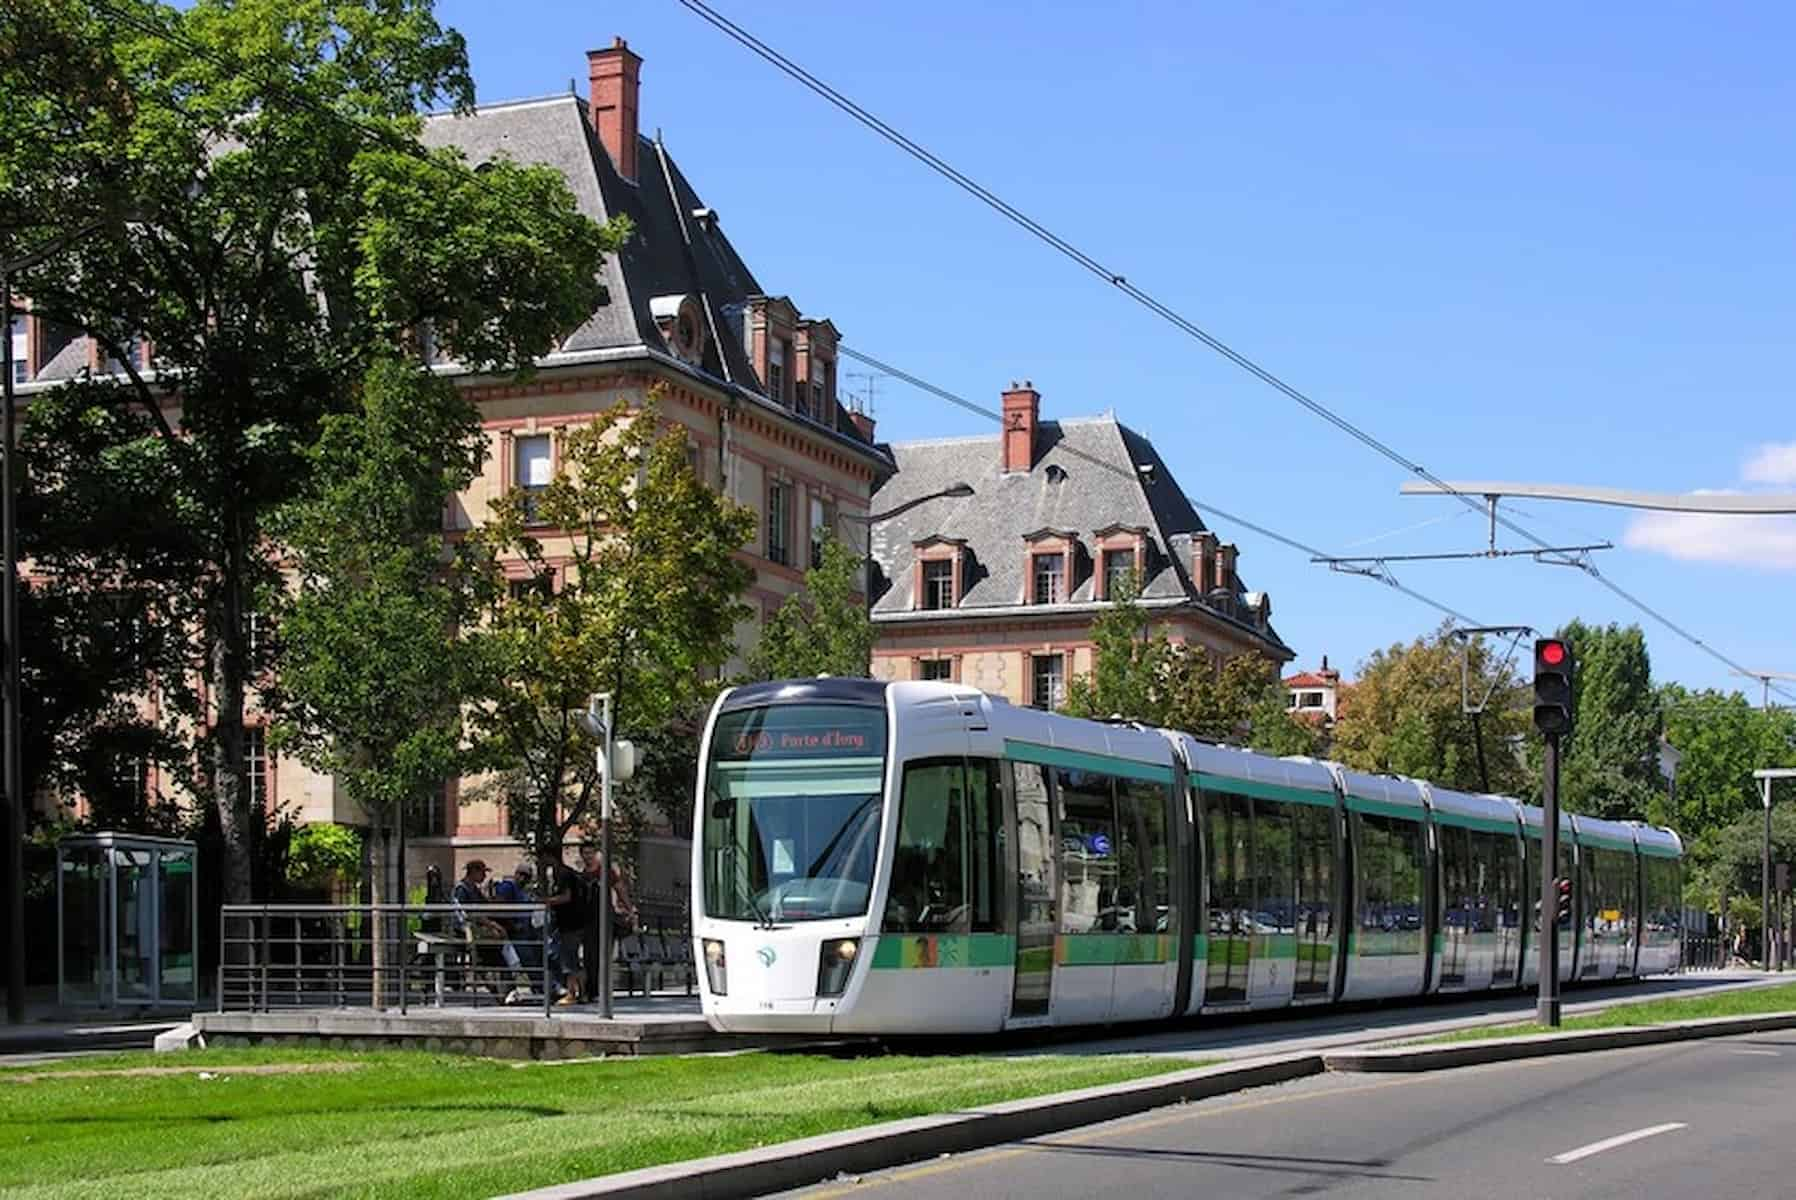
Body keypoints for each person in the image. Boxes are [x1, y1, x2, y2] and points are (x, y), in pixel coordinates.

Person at [580, 832, 639, 1001]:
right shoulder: (582, 875)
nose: (588, 856)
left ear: (595, 854)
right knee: (590, 956)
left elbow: (620, 889)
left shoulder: (606, 872)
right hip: (589, 921)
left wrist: (630, 909)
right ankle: (593, 991)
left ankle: (601, 989)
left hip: (605, 919)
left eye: (591, 853)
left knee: (603, 955)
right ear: (582, 855)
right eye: (585, 853)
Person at [491, 862, 544, 1005]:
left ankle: (538, 988)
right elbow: (500, 908)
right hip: (514, 933)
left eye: (528, 877)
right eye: (523, 876)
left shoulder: (522, 891)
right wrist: (512, 925)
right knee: (526, 961)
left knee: (530, 961)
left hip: (525, 932)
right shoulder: (508, 887)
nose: (525, 880)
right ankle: (541, 988)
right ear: (517, 874)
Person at [541, 850, 589, 1005]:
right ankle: (582, 993)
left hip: (569, 923)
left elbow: (566, 897)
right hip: (575, 922)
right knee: (573, 959)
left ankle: (571, 993)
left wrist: (548, 901)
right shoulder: (567, 873)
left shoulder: (562, 874)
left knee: (569, 959)